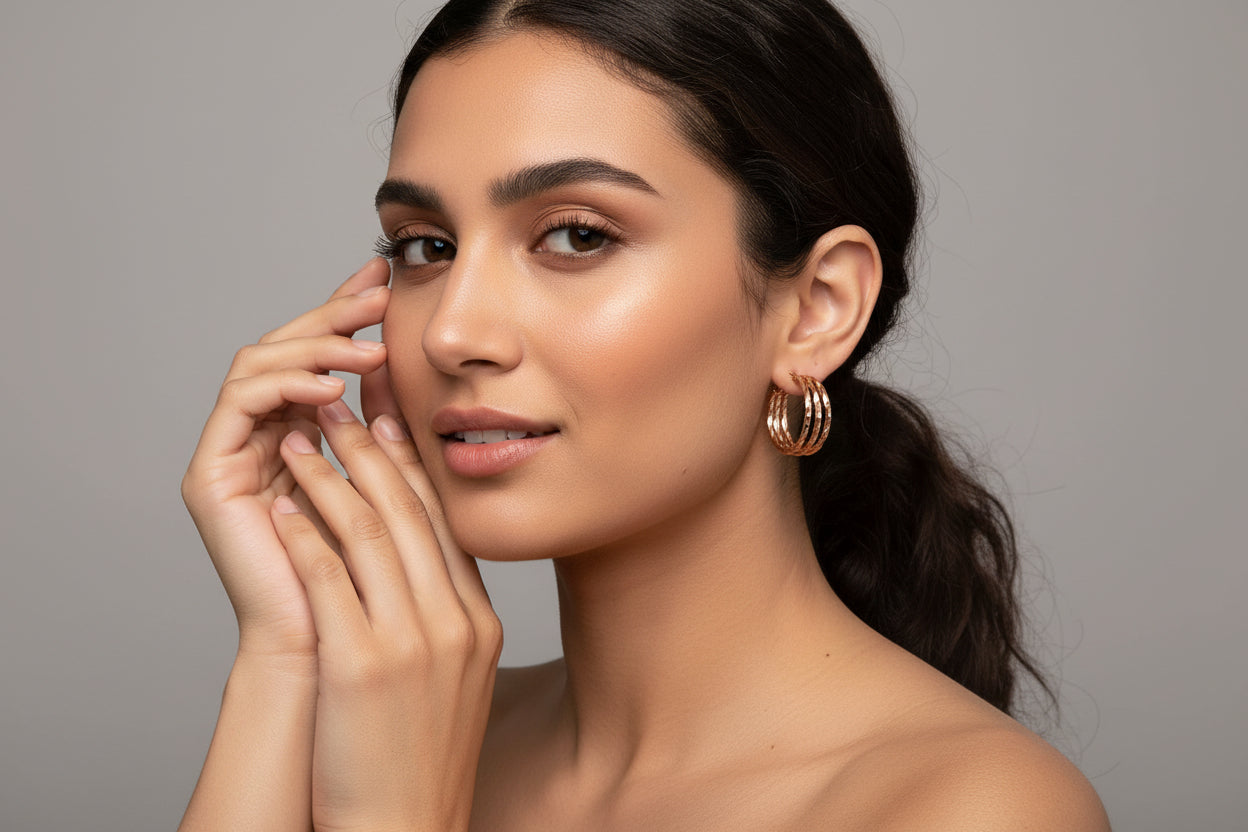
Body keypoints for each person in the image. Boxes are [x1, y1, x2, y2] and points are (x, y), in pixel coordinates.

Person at [178, 0, 1111, 829]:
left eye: (577, 235)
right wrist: (283, 658)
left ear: (817, 307)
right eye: (425, 245)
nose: (451, 331)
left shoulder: (971, 808)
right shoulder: (387, 726)